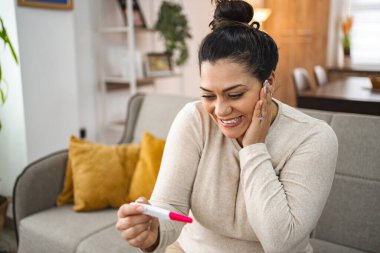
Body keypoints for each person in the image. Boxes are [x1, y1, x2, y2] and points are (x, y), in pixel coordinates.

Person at [116, 0, 338, 252]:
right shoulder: (194, 119)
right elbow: (170, 207)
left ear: (269, 82)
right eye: (209, 95)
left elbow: (281, 243)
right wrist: (153, 233)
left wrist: (254, 147)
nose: (220, 110)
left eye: (234, 95)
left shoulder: (313, 138)